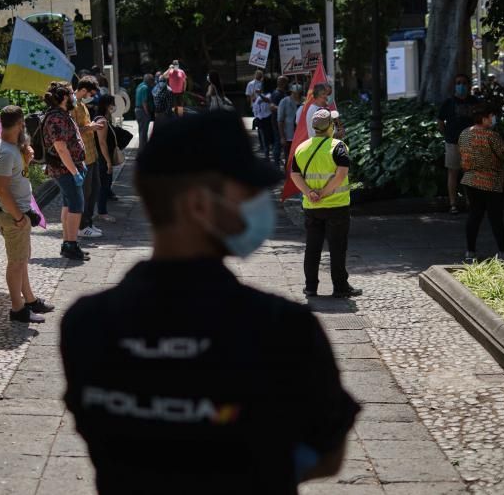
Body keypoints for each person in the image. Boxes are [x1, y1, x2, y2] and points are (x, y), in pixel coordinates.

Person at [61, 111, 360, 495]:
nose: (256, 204)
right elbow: (327, 454)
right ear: (199, 204)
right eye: (246, 192)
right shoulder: (281, 329)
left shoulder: (87, 324)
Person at [0, 106, 55, 323]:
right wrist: (19, 216)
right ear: (19, 125)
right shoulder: (5, 153)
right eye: (23, 125)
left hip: (19, 213)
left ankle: (29, 299)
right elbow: (2, 190)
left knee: (22, 259)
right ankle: (18, 310)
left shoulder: (10, 147)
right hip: (13, 216)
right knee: (16, 263)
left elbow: (18, 177)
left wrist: (26, 161)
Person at [290, 109, 362, 298]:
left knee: (312, 247)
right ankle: (340, 287)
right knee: (337, 248)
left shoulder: (301, 147)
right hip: (336, 206)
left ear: (314, 127)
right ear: (330, 126)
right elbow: (341, 174)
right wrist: (324, 193)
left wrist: (310, 193)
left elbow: (294, 175)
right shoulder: (338, 147)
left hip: (312, 207)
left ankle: (310, 287)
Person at [458, 102, 504, 263]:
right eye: (491, 116)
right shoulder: (491, 136)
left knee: (474, 216)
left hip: (470, 180)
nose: (493, 119)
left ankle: (470, 252)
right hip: (491, 182)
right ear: (484, 118)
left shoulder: (464, 134)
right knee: (496, 218)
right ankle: (503, 251)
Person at [42, 81, 91, 261]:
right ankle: (71, 245)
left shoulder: (62, 114)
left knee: (68, 205)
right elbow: (61, 148)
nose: (73, 96)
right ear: (63, 97)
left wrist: (79, 165)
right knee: (76, 206)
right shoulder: (57, 118)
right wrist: (74, 172)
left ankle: (67, 244)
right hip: (65, 169)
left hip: (69, 167)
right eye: (70, 93)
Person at [438, 73, 479, 214]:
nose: (460, 86)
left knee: (470, 174)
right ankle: (453, 204)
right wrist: (447, 135)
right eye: (458, 83)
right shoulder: (448, 103)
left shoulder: (475, 102)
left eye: (463, 83)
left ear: (468, 86)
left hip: (471, 143)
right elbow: (440, 121)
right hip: (453, 143)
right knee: (453, 173)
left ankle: (471, 203)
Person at [72, 76, 105, 239]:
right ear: (83, 90)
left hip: (91, 154)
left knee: (94, 190)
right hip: (83, 156)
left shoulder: (82, 104)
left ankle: (88, 223)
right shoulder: (72, 104)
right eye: (90, 92)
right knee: (85, 192)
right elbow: (72, 130)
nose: (91, 96)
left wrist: (93, 126)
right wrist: (90, 127)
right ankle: (82, 226)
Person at [93, 94, 117, 223]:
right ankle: (102, 212)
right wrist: (108, 161)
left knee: (105, 184)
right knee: (104, 185)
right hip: (101, 158)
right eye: (113, 104)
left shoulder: (102, 118)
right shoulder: (101, 121)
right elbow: (102, 143)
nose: (114, 106)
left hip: (100, 157)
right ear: (108, 105)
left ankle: (101, 211)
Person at [278, 86, 302, 164]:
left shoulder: (304, 101)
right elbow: (280, 120)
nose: (297, 95)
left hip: (301, 135)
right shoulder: (284, 101)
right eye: (295, 93)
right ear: (292, 92)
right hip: (289, 136)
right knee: (288, 158)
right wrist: (282, 137)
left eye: (299, 93)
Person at [253, 90, 276, 162]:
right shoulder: (259, 97)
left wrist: (260, 95)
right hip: (260, 120)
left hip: (267, 120)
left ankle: (273, 155)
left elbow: (267, 100)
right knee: (263, 137)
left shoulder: (269, 94)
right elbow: (255, 107)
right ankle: (267, 155)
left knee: (269, 137)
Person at [135, 74, 155, 149]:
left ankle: (142, 148)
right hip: (143, 111)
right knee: (144, 132)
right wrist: (147, 112)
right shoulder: (145, 88)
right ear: (149, 81)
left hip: (138, 110)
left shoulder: (139, 85)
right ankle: (143, 150)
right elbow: (144, 102)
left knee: (141, 131)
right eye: (152, 81)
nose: (152, 83)